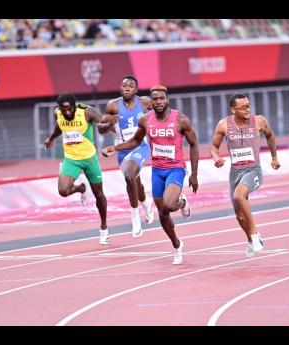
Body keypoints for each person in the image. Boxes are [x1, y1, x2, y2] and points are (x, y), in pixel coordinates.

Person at [102, 85, 199, 265]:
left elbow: (194, 145)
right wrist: (114, 148)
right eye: (155, 99)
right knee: (162, 214)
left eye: (161, 98)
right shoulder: (146, 120)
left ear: (167, 99)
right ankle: (177, 246)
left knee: (169, 205)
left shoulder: (181, 120)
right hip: (157, 171)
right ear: (151, 101)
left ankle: (182, 202)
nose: (158, 102)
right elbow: (135, 141)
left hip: (176, 168)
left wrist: (194, 174)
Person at [210, 93, 280, 258]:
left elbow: (270, 136)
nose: (248, 109)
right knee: (239, 216)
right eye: (243, 107)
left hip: (253, 170)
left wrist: (274, 157)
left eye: (249, 105)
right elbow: (214, 147)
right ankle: (250, 240)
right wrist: (216, 157)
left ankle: (255, 235)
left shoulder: (259, 121)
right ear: (233, 109)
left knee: (239, 196)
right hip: (235, 173)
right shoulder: (223, 125)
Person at [44, 93, 110, 245]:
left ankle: (104, 227)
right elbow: (60, 127)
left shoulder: (87, 112)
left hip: (89, 159)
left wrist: (111, 127)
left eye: (69, 109)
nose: (66, 112)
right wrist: (51, 138)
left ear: (74, 106)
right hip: (71, 159)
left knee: (99, 194)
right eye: (63, 109)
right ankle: (81, 188)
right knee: (63, 191)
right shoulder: (58, 113)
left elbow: (103, 122)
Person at [99, 76, 154, 238]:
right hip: (122, 150)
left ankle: (134, 215)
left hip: (140, 146)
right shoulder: (112, 105)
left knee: (130, 176)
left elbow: (160, 113)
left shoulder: (144, 102)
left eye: (130, 86)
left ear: (136, 90)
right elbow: (101, 129)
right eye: (124, 86)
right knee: (135, 182)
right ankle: (145, 202)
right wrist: (108, 123)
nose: (126, 88)